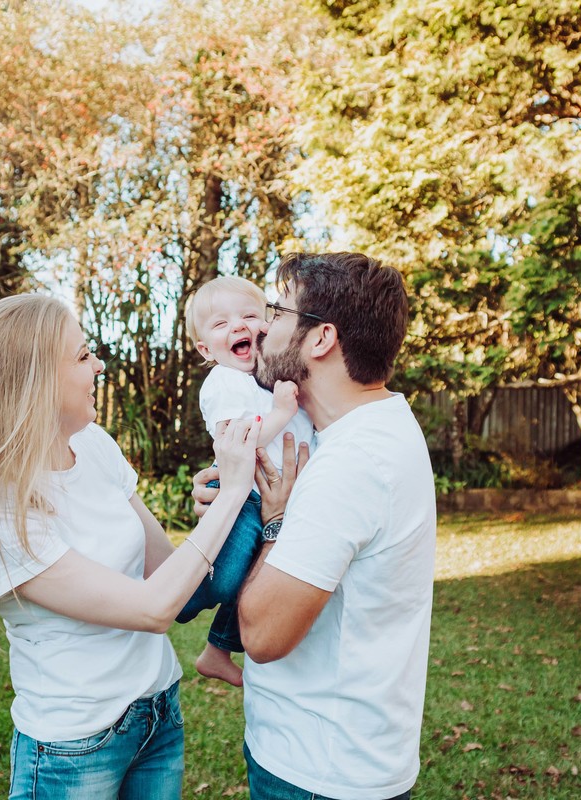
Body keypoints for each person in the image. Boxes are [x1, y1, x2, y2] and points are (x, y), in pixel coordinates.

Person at [0, 294, 264, 800]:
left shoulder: (94, 444)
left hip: (157, 712)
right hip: (75, 745)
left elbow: (173, 577)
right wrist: (232, 493)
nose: (98, 364)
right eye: (81, 356)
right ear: (32, 381)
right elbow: (153, 608)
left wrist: (237, 513)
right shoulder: (1, 511)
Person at [194, 252, 437, 800]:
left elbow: (263, 636)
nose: (261, 328)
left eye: (276, 313)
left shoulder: (349, 465)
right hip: (345, 749)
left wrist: (273, 519)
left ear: (320, 339)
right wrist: (233, 497)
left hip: (319, 768)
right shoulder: (376, 428)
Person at [177, 276, 316, 686]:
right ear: (206, 349)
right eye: (220, 325)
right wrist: (281, 413)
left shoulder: (269, 380)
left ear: (268, 326)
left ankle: (216, 650)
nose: (237, 327)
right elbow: (236, 443)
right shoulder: (224, 381)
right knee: (228, 580)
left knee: (257, 579)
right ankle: (172, 601)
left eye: (249, 316)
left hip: (268, 500)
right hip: (241, 498)